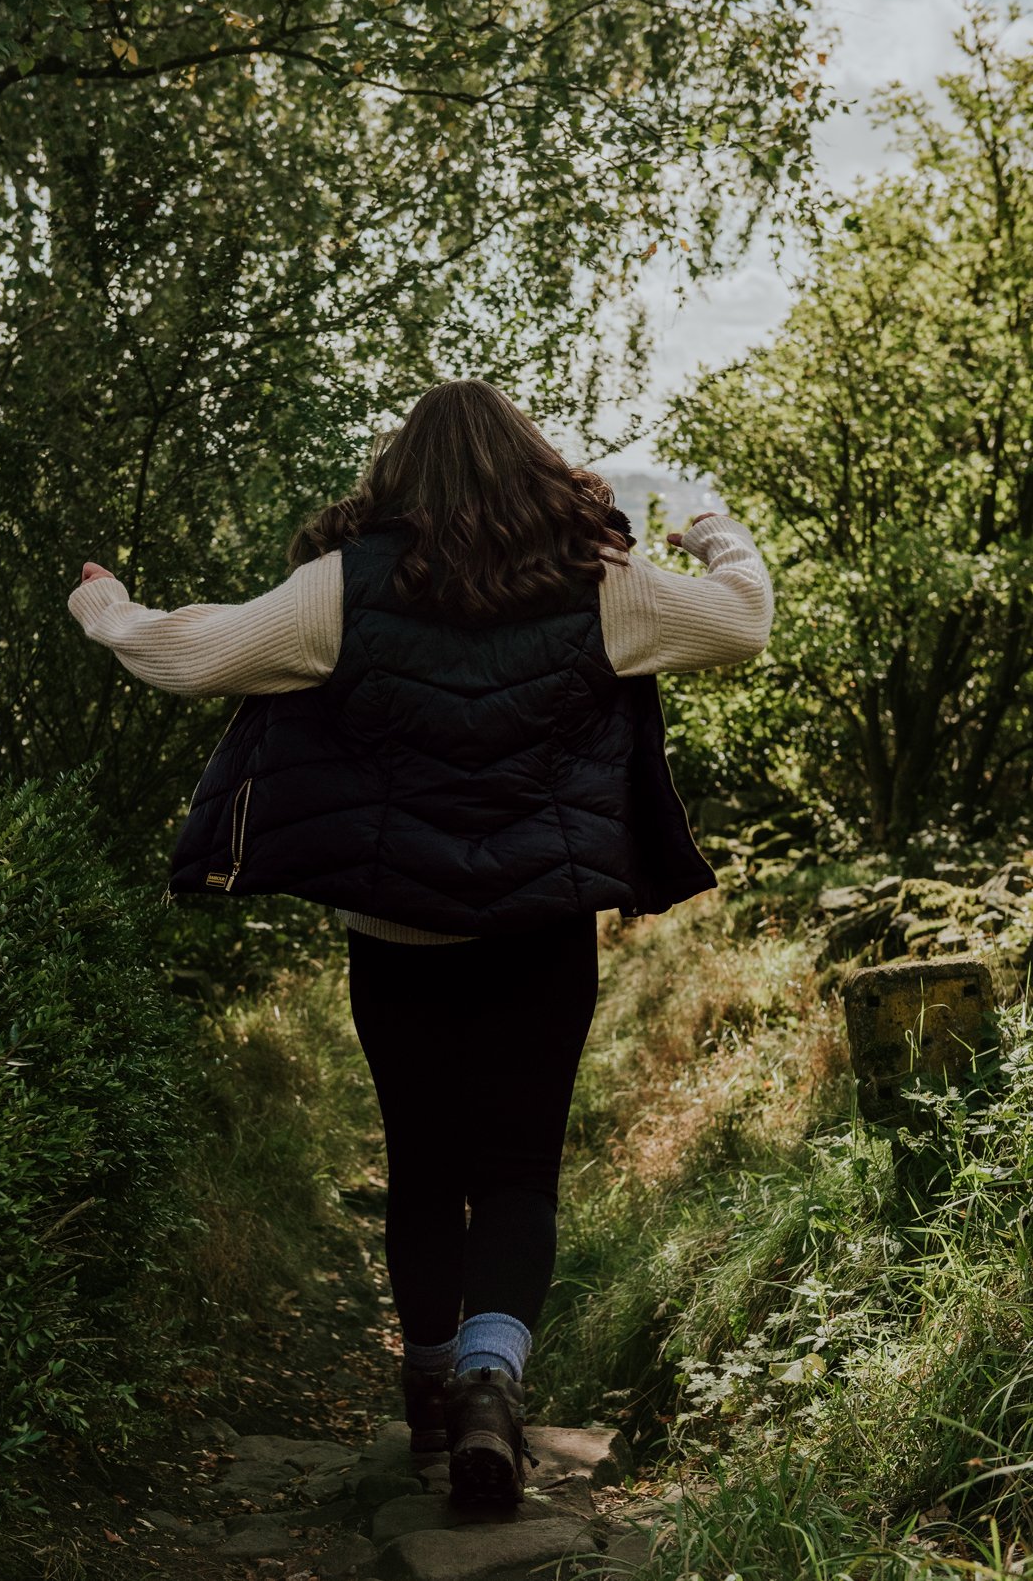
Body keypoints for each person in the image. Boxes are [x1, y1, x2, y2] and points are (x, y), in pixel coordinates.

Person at [67, 378, 773, 1507]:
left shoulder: (342, 589)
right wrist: (710, 528)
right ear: (535, 468)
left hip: (397, 935)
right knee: (519, 1169)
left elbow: (184, 656)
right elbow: (743, 620)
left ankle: (433, 1391)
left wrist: (105, 605)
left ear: (396, 477)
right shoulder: (600, 582)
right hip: (543, 933)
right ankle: (493, 1384)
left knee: (424, 1163)